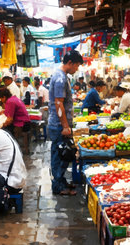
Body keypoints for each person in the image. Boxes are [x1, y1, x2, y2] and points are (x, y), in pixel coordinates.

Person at [48, 50, 83, 196]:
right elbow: (58, 104)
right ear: (70, 63)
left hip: (59, 124)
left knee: (63, 154)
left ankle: (61, 182)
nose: (77, 69)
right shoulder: (60, 78)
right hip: (58, 125)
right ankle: (58, 187)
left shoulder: (62, 76)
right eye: (76, 66)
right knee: (59, 155)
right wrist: (65, 126)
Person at [0, 88, 31, 154]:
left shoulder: (10, 102)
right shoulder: (13, 99)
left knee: (2, 131)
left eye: (1, 98)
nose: (1, 100)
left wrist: (1, 125)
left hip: (22, 124)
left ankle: (9, 149)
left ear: (4, 97)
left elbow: (10, 119)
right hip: (25, 122)